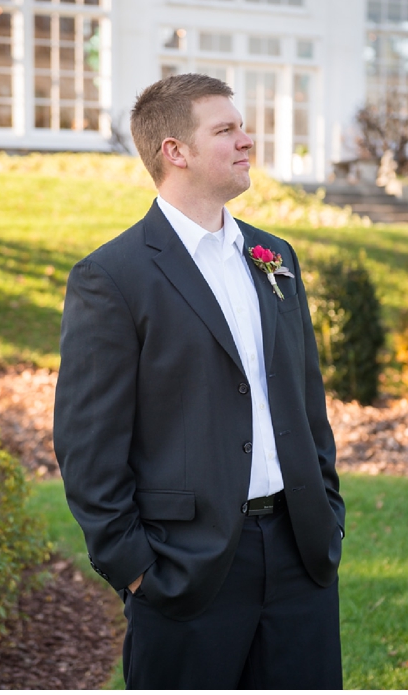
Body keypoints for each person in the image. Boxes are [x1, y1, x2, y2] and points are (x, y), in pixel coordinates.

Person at [53, 73, 345, 689]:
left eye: (241, 126)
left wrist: (327, 512)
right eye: (226, 129)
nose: (247, 139)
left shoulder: (275, 257)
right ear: (175, 152)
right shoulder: (111, 277)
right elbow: (88, 447)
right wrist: (137, 570)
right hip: (185, 567)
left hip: (301, 558)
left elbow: (306, 397)